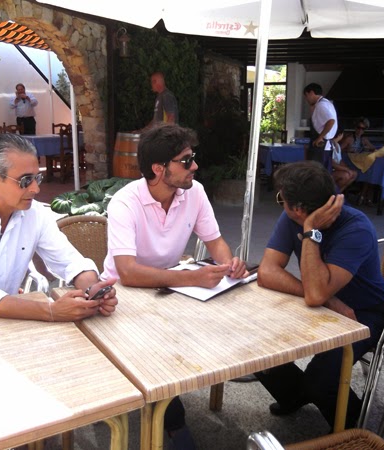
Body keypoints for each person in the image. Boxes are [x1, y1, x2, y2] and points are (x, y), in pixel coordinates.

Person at [102, 123, 248, 449]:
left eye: (192, 158)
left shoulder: (194, 192)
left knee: (234, 320)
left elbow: (214, 240)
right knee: (153, 351)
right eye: (186, 160)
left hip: (169, 287)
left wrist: (229, 265)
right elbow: (127, 272)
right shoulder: (125, 202)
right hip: (124, 295)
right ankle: (174, 424)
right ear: (159, 169)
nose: (194, 166)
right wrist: (191, 277)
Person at [0, 133, 118, 322]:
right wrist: (51, 311)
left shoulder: (34, 213)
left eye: (37, 178)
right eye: (25, 180)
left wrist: (93, 291)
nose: (35, 189)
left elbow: (70, 262)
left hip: (5, 319)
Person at [254, 161, 384, 430]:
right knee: (255, 345)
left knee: (322, 380)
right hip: (325, 304)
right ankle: (296, 394)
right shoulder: (291, 216)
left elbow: (315, 294)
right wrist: (328, 299)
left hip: (362, 313)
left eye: (281, 199)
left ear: (298, 209)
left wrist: (310, 232)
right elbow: (266, 272)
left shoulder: (356, 228)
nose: (280, 203)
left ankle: (352, 427)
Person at [340, 117, 376, 205]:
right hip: (349, 162)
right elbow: (338, 150)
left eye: (363, 128)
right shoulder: (349, 138)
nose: (360, 130)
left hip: (360, 163)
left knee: (371, 171)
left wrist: (367, 148)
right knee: (368, 172)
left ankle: (363, 196)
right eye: (358, 127)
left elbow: (373, 149)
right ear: (355, 128)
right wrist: (348, 150)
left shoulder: (364, 139)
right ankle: (363, 196)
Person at [303, 83, 337, 172]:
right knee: (322, 174)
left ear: (311, 93)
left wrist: (320, 137)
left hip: (321, 147)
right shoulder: (327, 103)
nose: (306, 99)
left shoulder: (321, 105)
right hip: (325, 146)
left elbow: (331, 121)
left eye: (306, 96)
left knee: (316, 173)